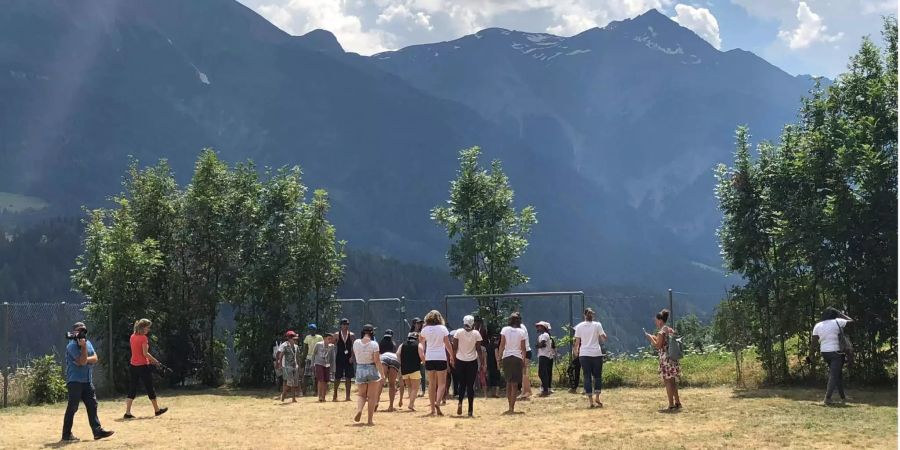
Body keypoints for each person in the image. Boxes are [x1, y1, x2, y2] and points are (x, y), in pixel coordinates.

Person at [61, 322, 114, 442]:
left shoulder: (88, 342)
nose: (82, 333)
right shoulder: (71, 346)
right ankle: (66, 435)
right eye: (79, 330)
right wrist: (84, 350)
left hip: (87, 381)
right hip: (74, 381)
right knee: (73, 407)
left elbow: (94, 358)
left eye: (84, 330)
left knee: (92, 405)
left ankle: (97, 431)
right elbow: (82, 361)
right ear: (74, 332)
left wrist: (85, 358)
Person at [124, 319, 167, 419]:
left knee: (132, 388)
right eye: (147, 327)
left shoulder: (132, 336)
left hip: (133, 366)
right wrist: (156, 361)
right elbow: (145, 354)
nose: (149, 329)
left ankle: (127, 412)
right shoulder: (143, 338)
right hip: (143, 366)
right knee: (149, 387)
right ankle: (157, 410)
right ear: (143, 328)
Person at [811, 307, 853, 405]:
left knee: (837, 375)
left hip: (825, 352)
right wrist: (840, 313)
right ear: (835, 315)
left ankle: (843, 397)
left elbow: (813, 343)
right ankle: (827, 398)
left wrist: (810, 357)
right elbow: (852, 321)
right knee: (834, 375)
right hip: (836, 352)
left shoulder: (818, 325)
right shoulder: (838, 321)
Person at [644, 309, 681, 411]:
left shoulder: (661, 332)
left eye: (656, 321)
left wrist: (650, 339)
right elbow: (665, 342)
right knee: (673, 382)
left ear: (660, 320)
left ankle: (671, 404)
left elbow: (658, 346)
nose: (655, 322)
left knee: (668, 382)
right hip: (672, 358)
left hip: (665, 360)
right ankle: (677, 402)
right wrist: (654, 337)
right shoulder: (669, 330)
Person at [419, 310, 455, 416]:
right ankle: (438, 402)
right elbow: (447, 344)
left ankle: (432, 409)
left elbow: (421, 342)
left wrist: (422, 354)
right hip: (440, 357)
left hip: (429, 357)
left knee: (431, 384)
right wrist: (452, 356)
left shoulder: (425, 330)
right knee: (442, 384)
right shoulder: (443, 329)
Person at [574, 308, 607, 408]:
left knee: (587, 376)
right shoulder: (597, 325)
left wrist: (575, 351)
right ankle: (597, 397)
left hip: (584, 354)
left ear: (584, 315)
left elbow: (577, 342)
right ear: (592, 315)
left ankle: (590, 401)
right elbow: (604, 338)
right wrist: (604, 336)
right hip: (596, 353)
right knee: (597, 376)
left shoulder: (579, 326)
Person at [452, 315, 484, 417]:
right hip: (472, 362)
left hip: (460, 361)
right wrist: (482, 361)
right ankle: (470, 409)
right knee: (470, 386)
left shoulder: (458, 332)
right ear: (473, 323)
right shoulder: (476, 334)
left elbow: (454, 347)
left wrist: (452, 359)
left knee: (462, 384)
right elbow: (478, 349)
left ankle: (460, 402)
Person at [352, 324, 384, 426]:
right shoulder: (374, 344)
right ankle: (370, 420)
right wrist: (382, 374)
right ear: (372, 333)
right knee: (371, 396)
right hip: (371, 369)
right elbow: (376, 360)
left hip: (360, 368)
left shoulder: (356, 342)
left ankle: (359, 410)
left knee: (361, 394)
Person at [498, 312, 527, 414]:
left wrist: (499, 358)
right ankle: (512, 407)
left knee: (508, 383)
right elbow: (523, 348)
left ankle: (509, 404)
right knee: (515, 384)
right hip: (517, 358)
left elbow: (502, 345)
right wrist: (523, 360)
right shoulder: (521, 332)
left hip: (506, 357)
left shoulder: (505, 330)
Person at [396, 331, 424, 411]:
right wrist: (424, 362)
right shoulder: (418, 345)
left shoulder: (402, 345)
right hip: (415, 369)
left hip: (405, 370)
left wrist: (401, 363)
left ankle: (412, 403)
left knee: (410, 387)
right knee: (415, 388)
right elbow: (422, 356)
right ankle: (411, 404)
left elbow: (397, 354)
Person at [333, 318, 356, 402]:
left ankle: (348, 396)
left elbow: (354, 346)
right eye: (344, 324)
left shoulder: (352, 335)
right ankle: (335, 395)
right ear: (341, 325)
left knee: (348, 377)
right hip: (339, 357)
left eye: (347, 324)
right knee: (337, 377)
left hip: (348, 358)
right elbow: (333, 344)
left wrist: (352, 357)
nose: (346, 326)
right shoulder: (336, 334)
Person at [275, 331, 301, 402]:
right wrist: (279, 364)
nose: (295, 340)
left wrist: (299, 365)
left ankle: (291, 397)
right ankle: (284, 394)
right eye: (293, 338)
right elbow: (280, 354)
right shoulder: (285, 346)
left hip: (294, 366)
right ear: (289, 339)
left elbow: (298, 356)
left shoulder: (296, 347)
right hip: (287, 366)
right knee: (289, 381)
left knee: (293, 382)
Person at [312, 333, 336, 402]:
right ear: (324, 338)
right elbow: (313, 354)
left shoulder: (332, 346)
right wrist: (312, 364)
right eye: (329, 339)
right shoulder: (318, 344)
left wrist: (333, 368)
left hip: (327, 364)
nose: (330, 340)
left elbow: (332, 358)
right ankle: (320, 396)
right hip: (319, 363)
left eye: (331, 339)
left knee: (326, 381)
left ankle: (324, 396)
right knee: (320, 380)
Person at [302, 323, 323, 396]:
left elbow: (322, 348)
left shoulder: (319, 337)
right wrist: (303, 359)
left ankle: (316, 392)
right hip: (309, 358)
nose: (312, 331)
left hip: (317, 358)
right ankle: (303, 392)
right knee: (306, 375)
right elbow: (305, 348)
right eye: (310, 329)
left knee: (316, 376)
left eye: (313, 329)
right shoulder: (307, 337)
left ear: (315, 330)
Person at [535, 321, 555, 396]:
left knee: (542, 373)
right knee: (544, 373)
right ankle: (545, 388)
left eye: (539, 326)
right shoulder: (543, 335)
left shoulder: (544, 335)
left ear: (543, 327)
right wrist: (538, 345)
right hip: (544, 355)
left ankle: (545, 389)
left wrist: (538, 345)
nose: (537, 328)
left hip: (544, 355)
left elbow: (542, 344)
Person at [484, 331, 503, 398]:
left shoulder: (487, 347)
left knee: (491, 379)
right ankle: (497, 393)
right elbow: (496, 356)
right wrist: (498, 365)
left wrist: (486, 365)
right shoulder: (495, 347)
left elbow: (485, 356)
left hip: (489, 365)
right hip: (494, 365)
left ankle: (492, 393)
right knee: (497, 379)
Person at [410, 317, 426, 395]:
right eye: (417, 323)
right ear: (414, 324)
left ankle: (423, 391)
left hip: (421, 353)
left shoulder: (422, 332)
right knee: (414, 373)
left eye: (420, 323)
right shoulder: (410, 334)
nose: (419, 324)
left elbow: (423, 342)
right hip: (413, 355)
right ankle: (414, 390)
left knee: (422, 373)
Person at [518, 322, 533, 400]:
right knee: (523, 372)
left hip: (525, 351)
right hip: (525, 351)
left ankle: (527, 391)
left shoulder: (520, 327)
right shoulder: (521, 326)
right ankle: (524, 391)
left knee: (524, 372)